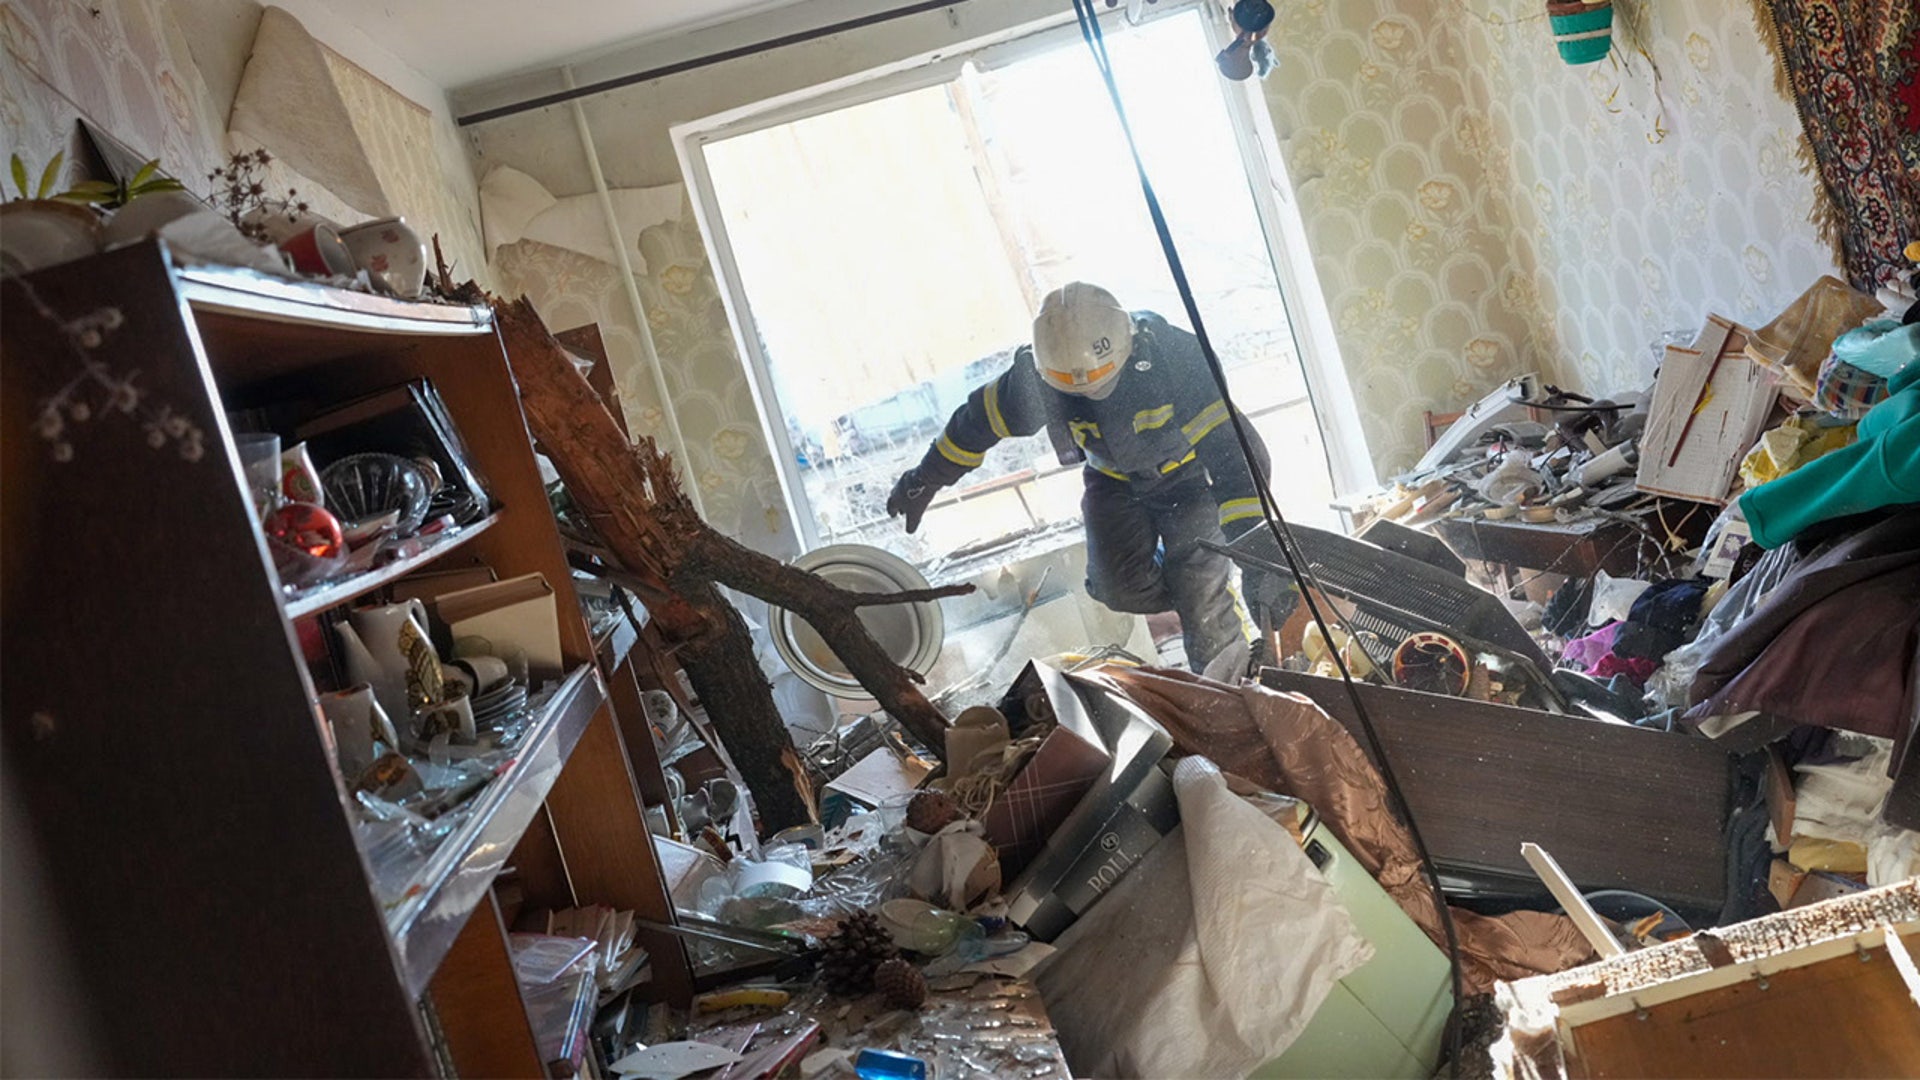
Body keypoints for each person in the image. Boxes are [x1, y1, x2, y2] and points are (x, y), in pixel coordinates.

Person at [885, 282, 1272, 674]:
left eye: (1105, 378)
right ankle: (1200, 590)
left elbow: (1237, 463)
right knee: (1115, 587)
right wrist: (924, 479)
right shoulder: (1036, 382)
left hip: (1186, 479)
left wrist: (1262, 562)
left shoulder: (1177, 360)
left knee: (1202, 600)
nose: (1091, 391)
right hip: (1112, 482)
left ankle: (1225, 677)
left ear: (1128, 344)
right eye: (1072, 387)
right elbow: (976, 423)